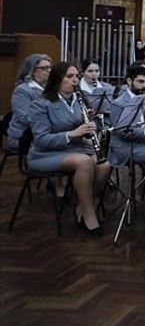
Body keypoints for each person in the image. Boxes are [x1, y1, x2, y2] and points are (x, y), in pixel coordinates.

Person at [27, 62, 112, 235]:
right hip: (44, 154)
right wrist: (73, 133)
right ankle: (89, 215)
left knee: (104, 164)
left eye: (76, 77)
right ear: (57, 79)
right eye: (69, 77)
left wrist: (90, 125)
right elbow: (41, 139)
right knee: (84, 162)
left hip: (76, 149)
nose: (75, 81)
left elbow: (84, 130)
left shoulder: (79, 100)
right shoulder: (41, 104)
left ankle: (82, 206)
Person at [108, 63, 145, 212]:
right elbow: (121, 132)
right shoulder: (118, 103)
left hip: (143, 142)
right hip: (124, 146)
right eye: (140, 81)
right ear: (129, 81)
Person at [8, 54, 52, 151]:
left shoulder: (50, 89)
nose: (49, 71)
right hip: (23, 136)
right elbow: (25, 118)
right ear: (32, 71)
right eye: (44, 68)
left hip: (44, 133)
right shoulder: (22, 90)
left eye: (49, 67)